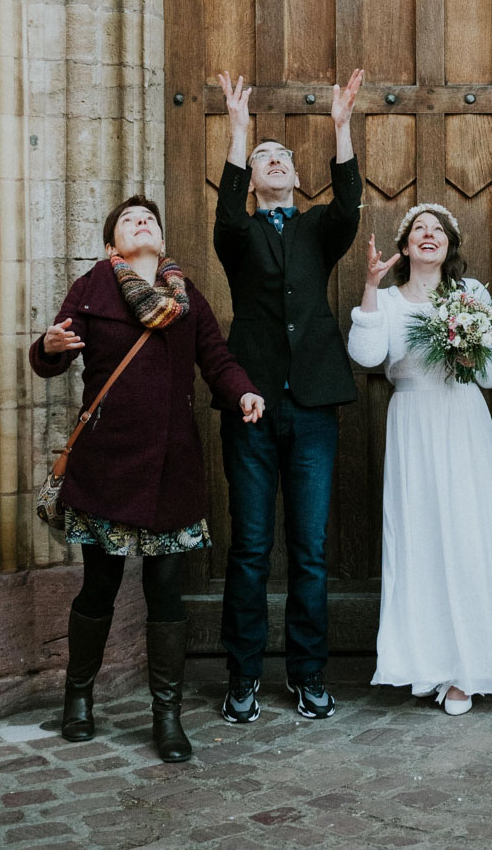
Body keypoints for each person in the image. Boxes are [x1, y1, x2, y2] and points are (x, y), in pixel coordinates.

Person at [29, 195, 264, 762]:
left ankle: (167, 716)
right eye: (131, 220)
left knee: (165, 593)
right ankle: (78, 699)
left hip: (171, 465)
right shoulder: (91, 288)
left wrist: (242, 392)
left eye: (151, 219)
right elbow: (51, 353)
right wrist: (49, 345)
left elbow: (217, 357)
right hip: (107, 463)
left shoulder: (186, 295)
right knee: (100, 587)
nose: (144, 223)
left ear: (160, 241)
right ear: (113, 244)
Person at [214, 68, 364, 725]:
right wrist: (238, 133)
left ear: (297, 176)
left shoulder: (317, 230)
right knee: (249, 545)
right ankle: (242, 673)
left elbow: (350, 206)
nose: (274, 162)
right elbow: (225, 212)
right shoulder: (239, 235)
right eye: (263, 158)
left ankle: (308, 673)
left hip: (312, 411)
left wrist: (341, 127)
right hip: (250, 407)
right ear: (253, 174)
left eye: (282, 157)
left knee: (307, 546)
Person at [346, 207, 492, 713]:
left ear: (449, 246)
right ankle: (425, 663)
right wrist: (367, 285)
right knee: (419, 540)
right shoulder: (384, 298)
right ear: (405, 247)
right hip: (412, 424)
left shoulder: (472, 298)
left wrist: (472, 355)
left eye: (438, 231)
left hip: (462, 422)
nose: (429, 235)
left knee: (468, 538)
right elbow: (364, 356)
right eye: (419, 229)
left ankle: (469, 668)